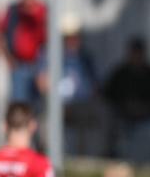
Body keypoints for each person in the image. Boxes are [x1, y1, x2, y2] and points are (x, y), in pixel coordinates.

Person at [36, 14, 104, 157]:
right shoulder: (49, 54)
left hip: (81, 104)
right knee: (46, 119)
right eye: (69, 36)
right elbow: (41, 82)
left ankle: (85, 158)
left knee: (98, 116)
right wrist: (56, 98)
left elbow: (95, 86)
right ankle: (50, 156)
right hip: (57, 103)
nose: (73, 40)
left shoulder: (85, 57)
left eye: (75, 36)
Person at [102, 37, 150, 165]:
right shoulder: (120, 73)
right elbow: (108, 95)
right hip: (122, 116)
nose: (136, 57)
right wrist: (126, 107)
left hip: (147, 117)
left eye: (139, 53)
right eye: (133, 53)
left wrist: (144, 109)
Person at [0, 0, 46, 109]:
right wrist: (6, 57)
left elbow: (48, 42)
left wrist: (45, 68)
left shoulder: (43, 10)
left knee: (37, 107)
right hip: (19, 66)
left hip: (38, 65)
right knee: (19, 106)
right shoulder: (13, 10)